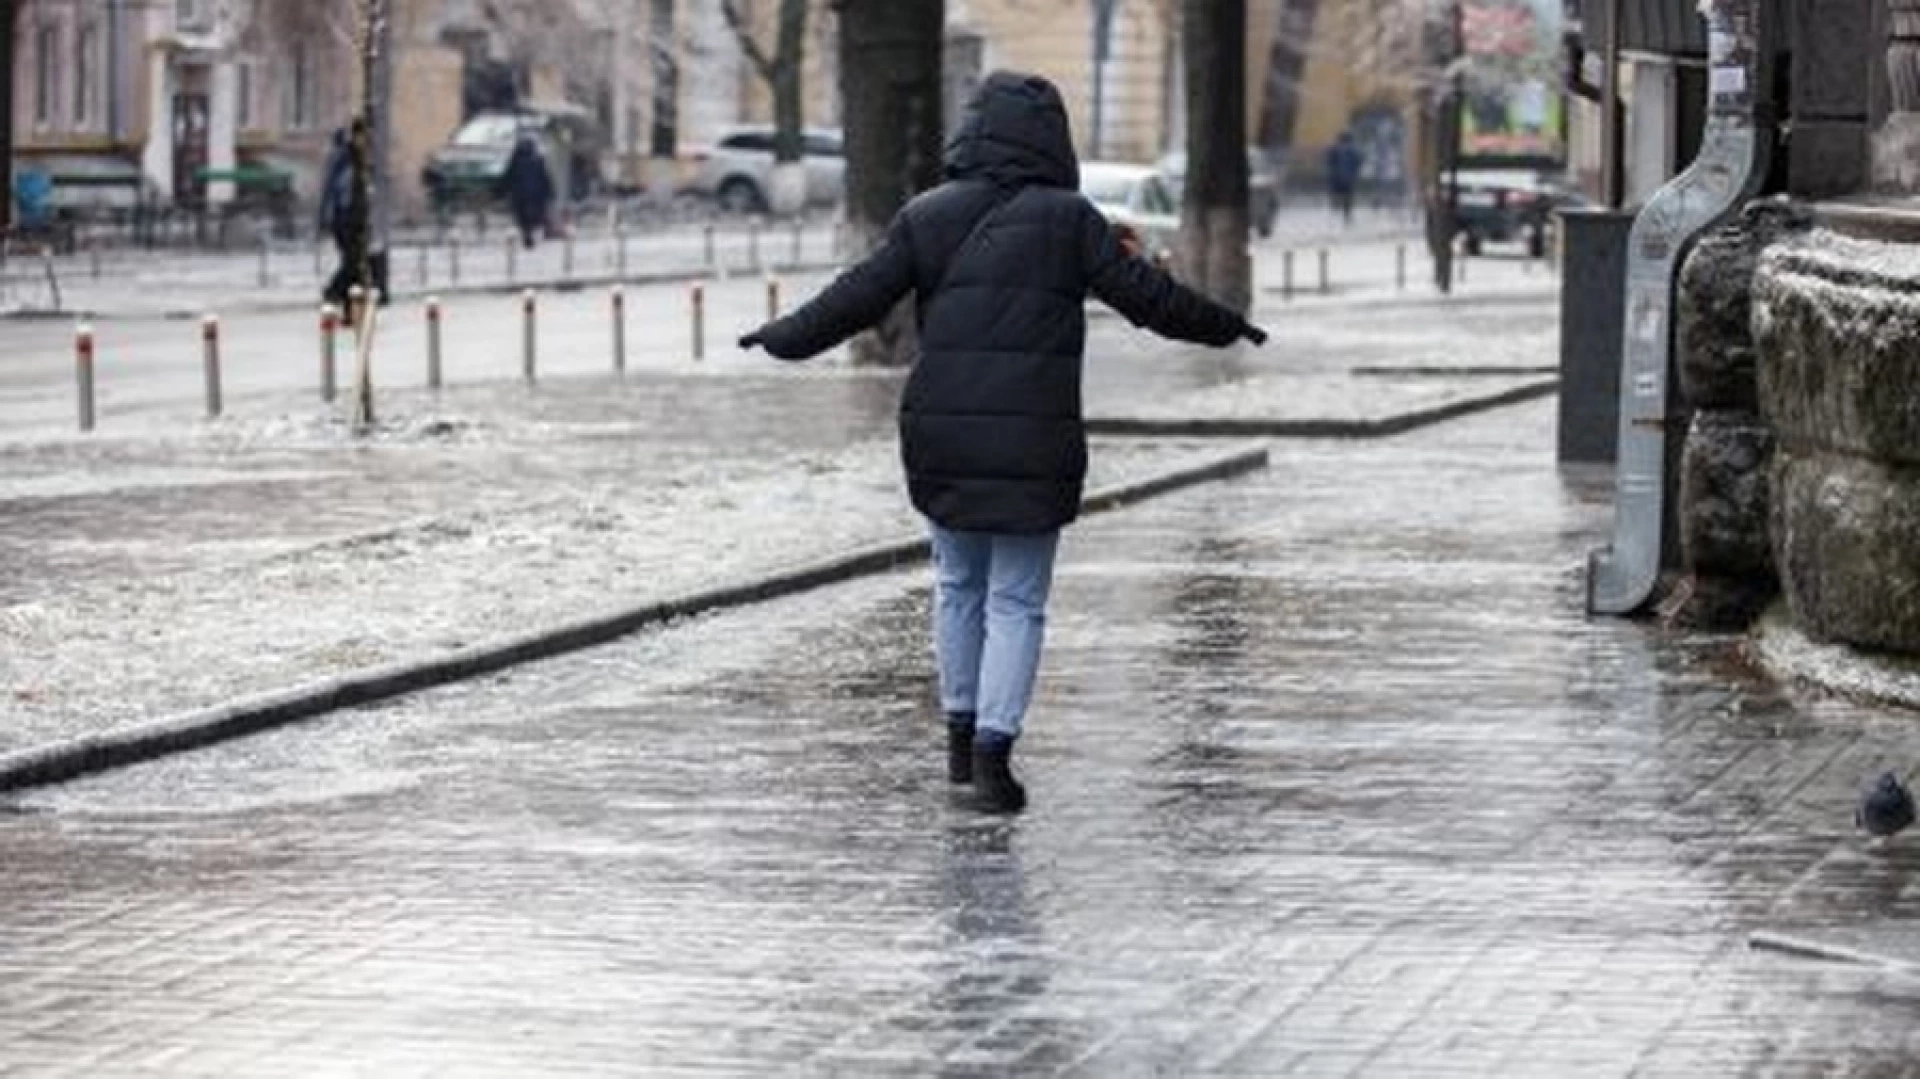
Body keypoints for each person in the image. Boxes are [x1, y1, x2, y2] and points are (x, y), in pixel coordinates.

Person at [737, 71, 1268, 814]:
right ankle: (993, 760)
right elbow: (1148, 300)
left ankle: (958, 749)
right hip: (1033, 444)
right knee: (1017, 598)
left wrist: (781, 337)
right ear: (1052, 138)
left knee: (957, 584)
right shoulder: (1071, 221)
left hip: (942, 434)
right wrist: (1226, 323)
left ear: (973, 129)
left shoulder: (928, 215)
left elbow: (857, 294)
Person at [318, 124, 366, 311]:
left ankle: (347, 302)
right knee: (352, 261)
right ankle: (334, 293)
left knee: (354, 262)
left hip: (352, 218)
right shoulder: (345, 159)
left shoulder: (355, 159)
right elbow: (337, 190)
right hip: (345, 218)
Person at [500, 134, 555, 250]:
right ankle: (537, 231)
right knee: (535, 216)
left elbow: (507, 178)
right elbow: (545, 178)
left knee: (523, 218)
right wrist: (549, 192)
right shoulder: (537, 160)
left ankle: (528, 234)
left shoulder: (515, 161)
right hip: (535, 195)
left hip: (520, 195)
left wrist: (501, 192)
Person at [1325, 129, 1364, 225]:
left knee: (1336, 195)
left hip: (1336, 177)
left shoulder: (1335, 149)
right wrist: (1355, 172)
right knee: (1348, 197)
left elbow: (1329, 161)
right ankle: (1347, 216)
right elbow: (1359, 162)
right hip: (1349, 178)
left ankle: (1334, 212)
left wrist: (1332, 171)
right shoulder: (1354, 150)